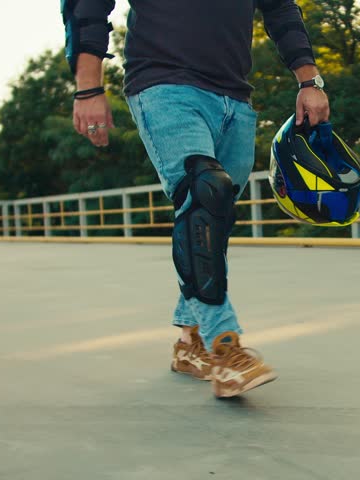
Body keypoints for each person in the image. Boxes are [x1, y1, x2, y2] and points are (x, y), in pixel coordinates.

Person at [61, 0, 329, 397]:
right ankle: (225, 348)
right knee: (205, 194)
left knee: (211, 220)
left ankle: (189, 344)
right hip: (164, 84)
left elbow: (281, 10)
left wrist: (310, 81)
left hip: (234, 96)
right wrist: (88, 87)